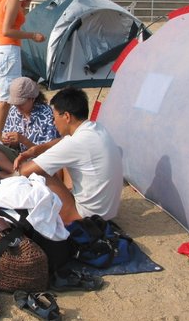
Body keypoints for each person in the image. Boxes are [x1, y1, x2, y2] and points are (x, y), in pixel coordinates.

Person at [12, 87, 123, 225]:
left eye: (54, 118)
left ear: (66, 116)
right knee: (54, 162)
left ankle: (66, 216)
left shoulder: (75, 143)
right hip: (108, 212)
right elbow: (63, 141)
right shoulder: (97, 129)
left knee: (40, 173)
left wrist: (24, 163)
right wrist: (34, 150)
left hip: (86, 218)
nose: (53, 123)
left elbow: (25, 171)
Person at [0, 0, 46, 143]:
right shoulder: (13, 0)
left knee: (6, 96)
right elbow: (7, 30)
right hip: (7, 51)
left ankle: (1, 134)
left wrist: (25, 2)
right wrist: (32, 35)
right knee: (7, 99)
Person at [0, 77, 59, 180]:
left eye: (21, 103)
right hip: (19, 159)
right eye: (16, 104)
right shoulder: (14, 111)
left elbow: (47, 152)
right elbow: (9, 139)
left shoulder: (46, 115)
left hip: (37, 161)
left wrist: (23, 140)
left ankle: (16, 173)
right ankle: (16, 173)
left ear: (32, 99)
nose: (18, 107)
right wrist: (9, 141)